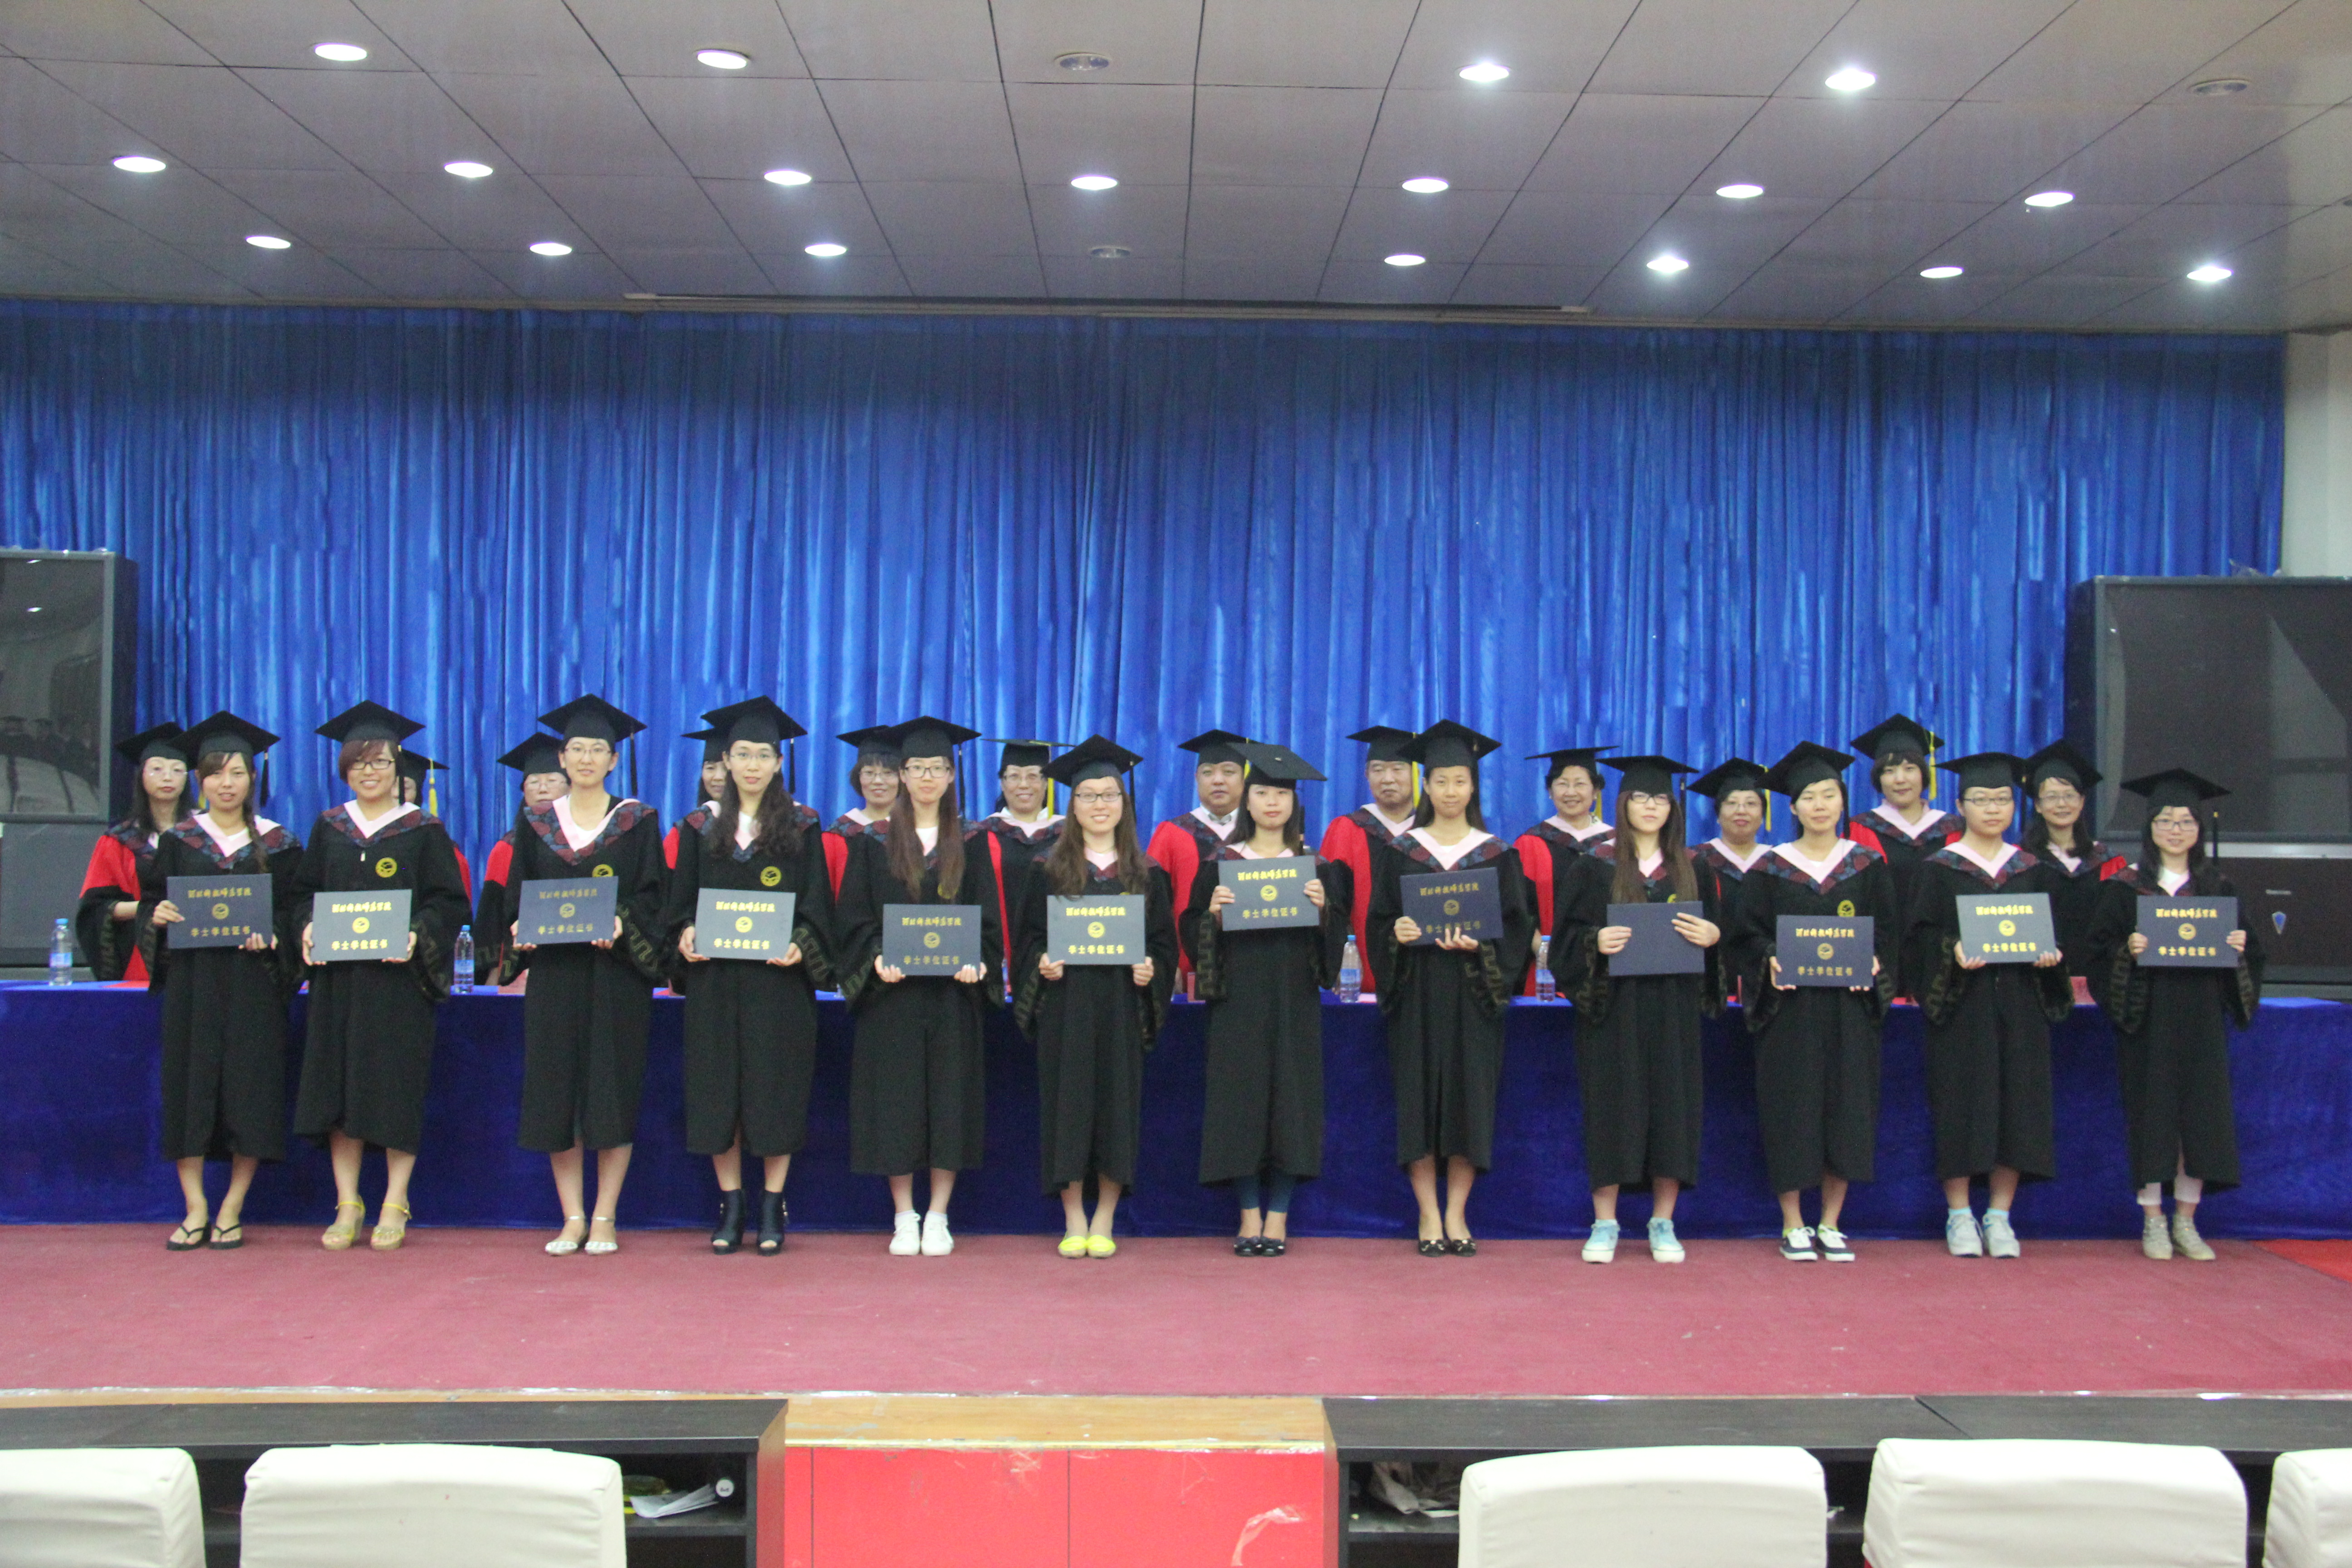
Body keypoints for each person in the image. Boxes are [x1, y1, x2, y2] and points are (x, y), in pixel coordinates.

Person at [291, 702, 470, 1252]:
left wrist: (418, 934)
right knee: (339, 1090)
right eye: (359, 763)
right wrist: (305, 927)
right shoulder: (330, 828)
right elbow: (302, 895)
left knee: (396, 1089)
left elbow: (449, 902)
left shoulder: (422, 829)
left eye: (381, 762)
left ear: (398, 768)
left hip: (399, 986)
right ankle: (348, 1202)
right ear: (345, 769)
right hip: (340, 984)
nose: (370, 772)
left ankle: (395, 1199)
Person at [665, 698, 835, 1257]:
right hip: (715, 985)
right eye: (742, 754)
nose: (753, 765)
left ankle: (772, 1204)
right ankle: (732, 1203)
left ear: (779, 763)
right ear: (726, 763)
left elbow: (817, 907)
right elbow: (678, 906)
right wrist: (686, 933)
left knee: (775, 1091)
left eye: (764, 755)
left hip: (777, 986)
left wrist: (801, 943)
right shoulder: (698, 827)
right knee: (719, 1092)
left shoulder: (803, 826)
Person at [1365, 720, 1535, 1256]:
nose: (1451, 791)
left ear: (1473, 786)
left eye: (1460, 781)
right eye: (1440, 781)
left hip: (1472, 996)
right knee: (1417, 1101)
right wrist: (1396, 934)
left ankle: (1457, 1212)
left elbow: (1517, 930)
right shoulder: (1401, 851)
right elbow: (1378, 922)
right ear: (1427, 786)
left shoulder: (1497, 854)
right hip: (1416, 992)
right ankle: (1428, 1213)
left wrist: (1483, 947)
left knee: (1470, 1102)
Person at [505, 694, 666, 1257]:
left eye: (598, 749)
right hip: (555, 975)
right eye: (577, 749)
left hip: (615, 977)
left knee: (611, 1091)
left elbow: (654, 898)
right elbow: (516, 895)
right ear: (562, 757)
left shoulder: (637, 822)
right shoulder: (537, 823)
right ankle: (571, 1215)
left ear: (614, 760)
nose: (587, 758)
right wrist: (520, 926)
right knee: (557, 1092)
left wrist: (623, 923)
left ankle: (605, 1215)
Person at [833, 716, 1000, 1256]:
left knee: (949, 1102)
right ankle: (904, 1215)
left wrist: (979, 961)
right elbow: (854, 919)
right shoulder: (873, 842)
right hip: (893, 997)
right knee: (897, 1103)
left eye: (937, 768)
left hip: (952, 998)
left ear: (951, 776)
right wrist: (876, 958)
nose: (927, 777)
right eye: (917, 768)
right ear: (902, 775)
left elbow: (990, 923)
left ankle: (939, 1215)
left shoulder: (973, 842)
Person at [1726, 743, 1897, 1262]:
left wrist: (1876, 964)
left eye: (1829, 795)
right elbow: (1745, 937)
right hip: (1790, 1014)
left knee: (1847, 1110)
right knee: (1792, 1109)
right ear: (1794, 808)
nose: (1820, 805)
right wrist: (1769, 959)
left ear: (1843, 802)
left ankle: (1831, 1223)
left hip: (1850, 1011)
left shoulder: (1867, 866)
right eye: (1809, 797)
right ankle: (1793, 1223)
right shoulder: (1770, 868)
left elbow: (1889, 936)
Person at [140, 713, 301, 1252]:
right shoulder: (179, 841)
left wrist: (276, 934)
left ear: (253, 778)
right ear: (199, 780)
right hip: (194, 984)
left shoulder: (280, 844)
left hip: (254, 986)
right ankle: (195, 1208)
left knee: (250, 1091)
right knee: (188, 1088)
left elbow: (297, 913)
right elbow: (151, 902)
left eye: (237, 773)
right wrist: (158, 917)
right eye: (215, 773)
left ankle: (231, 1207)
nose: (226, 784)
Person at [2087, 769, 2262, 1263]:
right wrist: (2128, 951)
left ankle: (2186, 1220)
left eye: (2186, 821)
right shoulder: (2126, 887)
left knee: (2199, 1118)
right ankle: (2153, 1220)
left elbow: (2252, 954)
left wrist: (2238, 949)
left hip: (2201, 1017)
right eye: (2165, 820)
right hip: (2148, 1019)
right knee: (2153, 1116)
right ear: (2150, 828)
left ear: (2199, 829)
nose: (2176, 830)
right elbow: (2097, 952)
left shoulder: (2217, 887)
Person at [1553, 755, 1723, 1264]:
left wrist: (1714, 936)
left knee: (1673, 1109)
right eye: (1641, 798)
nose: (1651, 807)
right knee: (1612, 1108)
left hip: (1674, 1010)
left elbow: (1720, 945)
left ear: (1673, 808)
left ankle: (1663, 1221)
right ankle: (1605, 1221)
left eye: (1661, 799)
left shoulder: (1695, 868)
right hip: (1613, 1012)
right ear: (1623, 803)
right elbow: (1564, 944)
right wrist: (1595, 942)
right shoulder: (1593, 865)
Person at [1904, 751, 2072, 1260]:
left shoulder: (2032, 870)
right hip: (1963, 1008)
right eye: (1981, 800)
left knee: (2018, 1106)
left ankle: (2000, 1215)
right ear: (1961, 807)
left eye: (2002, 799)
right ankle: (1959, 1214)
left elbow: (2054, 934)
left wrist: (2052, 957)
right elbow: (1917, 941)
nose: (1993, 808)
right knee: (1960, 1104)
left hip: (2021, 1006)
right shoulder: (1939, 869)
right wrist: (1950, 951)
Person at [1184, 742, 1350, 1255]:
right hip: (1238, 1000)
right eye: (1262, 793)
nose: (1272, 803)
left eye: (1281, 794)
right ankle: (1248, 1215)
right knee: (1241, 1104)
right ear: (1247, 801)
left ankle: (1278, 1216)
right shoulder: (1221, 864)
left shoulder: (1315, 867)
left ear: (1294, 803)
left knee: (1291, 1105)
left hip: (1294, 1000)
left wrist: (1325, 914)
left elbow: (1334, 949)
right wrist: (1211, 917)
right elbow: (1190, 931)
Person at [1014, 735, 1177, 1257]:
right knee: (1067, 1108)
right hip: (1066, 1008)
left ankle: (1104, 1217)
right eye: (1087, 795)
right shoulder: (1047, 869)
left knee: (1116, 1109)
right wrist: (1041, 963)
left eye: (1109, 795)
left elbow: (1164, 946)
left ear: (1124, 804)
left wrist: (1152, 970)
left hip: (1121, 1007)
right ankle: (1073, 1218)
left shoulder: (1146, 874)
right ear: (1072, 804)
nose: (1099, 804)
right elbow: (1027, 941)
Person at [1847, 714, 1963, 995]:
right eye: (1889, 771)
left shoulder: (1954, 829)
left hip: (1944, 959)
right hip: (1882, 959)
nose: (1900, 779)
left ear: (1924, 774)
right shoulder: (1860, 829)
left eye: (1910, 768)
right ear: (1878, 778)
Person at [77, 724, 192, 984]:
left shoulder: (206, 835)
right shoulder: (119, 841)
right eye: (157, 769)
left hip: (199, 957)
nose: (167, 777)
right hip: (141, 959)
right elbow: (95, 910)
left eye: (177, 770)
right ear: (141, 776)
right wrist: (148, 910)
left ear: (188, 779)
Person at [1511, 745, 1617, 996]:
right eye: (1562, 784)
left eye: (1580, 784)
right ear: (1550, 791)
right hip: (1545, 969)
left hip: (1608, 966)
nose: (1571, 792)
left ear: (1596, 791)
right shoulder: (1530, 844)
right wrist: (1542, 950)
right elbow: (1517, 910)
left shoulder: (1617, 844)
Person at [1145, 729, 1250, 975]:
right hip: (1184, 967)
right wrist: (1164, 965)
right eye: (1208, 772)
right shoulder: (1171, 834)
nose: (1218, 780)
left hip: (1253, 967)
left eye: (1229, 772)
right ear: (1196, 778)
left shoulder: (1261, 833)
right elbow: (1153, 907)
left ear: (1245, 779)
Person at [2020, 740, 2125, 981]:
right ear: (2038, 805)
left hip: (2098, 978)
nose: (2062, 804)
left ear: (2082, 802)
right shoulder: (2021, 861)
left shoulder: (2107, 862)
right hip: (2038, 978)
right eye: (2052, 797)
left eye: (2070, 796)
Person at [474, 733, 569, 988]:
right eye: (533, 782)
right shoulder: (507, 848)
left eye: (552, 781)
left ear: (571, 786)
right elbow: (491, 921)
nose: (542, 788)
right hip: (519, 964)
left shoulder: (592, 841)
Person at [1318, 726, 1420, 961]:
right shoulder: (1345, 830)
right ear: (1366, 775)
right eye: (1378, 769)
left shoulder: (1431, 830)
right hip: (1361, 964)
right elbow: (1332, 907)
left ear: (1415, 774)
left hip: (1424, 966)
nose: (1388, 779)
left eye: (1398, 769)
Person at [972, 739, 1065, 969]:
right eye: (1014, 776)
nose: (1024, 784)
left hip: (1056, 958)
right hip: (994, 956)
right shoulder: (981, 836)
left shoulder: (1068, 836)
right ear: (1002, 783)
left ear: (1046, 783)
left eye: (1033, 776)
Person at [824, 727, 902, 896]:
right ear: (858, 777)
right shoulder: (839, 832)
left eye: (888, 773)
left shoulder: (915, 829)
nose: (878, 781)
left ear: (902, 778)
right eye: (869, 773)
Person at [396, 749, 470, 897]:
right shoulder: (355, 842)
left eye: (404, 788)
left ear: (418, 794)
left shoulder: (441, 851)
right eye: (388, 786)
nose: (395, 794)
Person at [663, 728, 730, 870]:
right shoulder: (684, 831)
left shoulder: (763, 826)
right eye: (710, 768)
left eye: (726, 769)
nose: (718, 777)